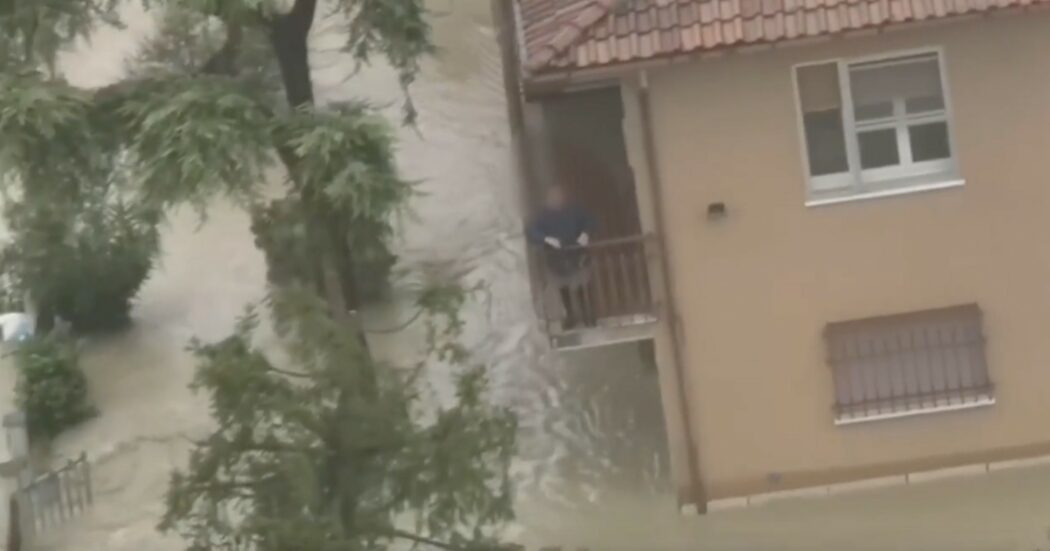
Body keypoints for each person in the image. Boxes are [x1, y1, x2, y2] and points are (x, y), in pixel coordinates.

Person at [527, 186, 597, 329]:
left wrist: (585, 233)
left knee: (582, 289)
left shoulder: (574, 210)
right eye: (553, 197)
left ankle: (589, 318)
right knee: (564, 291)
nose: (556, 199)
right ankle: (570, 318)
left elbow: (591, 221)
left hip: (577, 257)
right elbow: (532, 232)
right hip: (557, 261)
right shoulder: (543, 216)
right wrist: (547, 239)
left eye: (559, 196)